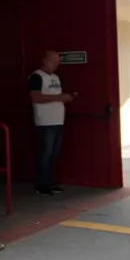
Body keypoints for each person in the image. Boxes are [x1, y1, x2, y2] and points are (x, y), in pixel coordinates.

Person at [27, 50, 77, 196]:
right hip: (45, 122)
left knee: (53, 154)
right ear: (44, 60)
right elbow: (36, 97)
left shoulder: (55, 77)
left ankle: (49, 182)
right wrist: (59, 98)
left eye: (57, 63)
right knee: (45, 153)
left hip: (58, 120)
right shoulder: (36, 77)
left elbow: (56, 96)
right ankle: (41, 185)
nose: (55, 65)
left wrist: (66, 98)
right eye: (53, 62)